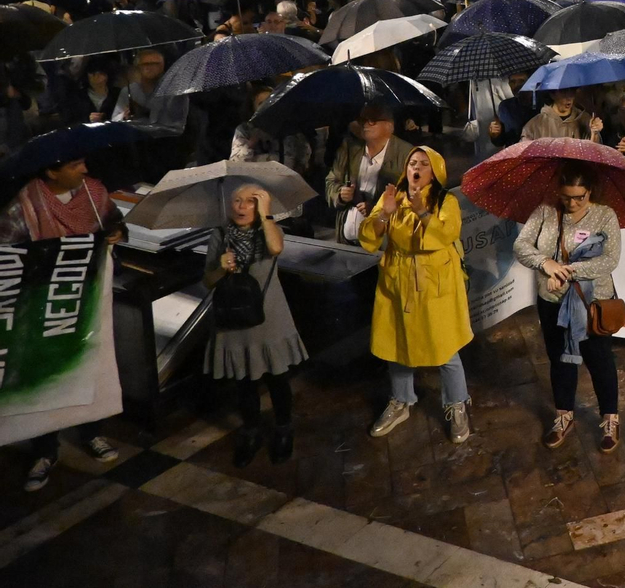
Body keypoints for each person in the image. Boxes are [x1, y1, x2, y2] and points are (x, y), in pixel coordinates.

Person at [0, 155, 128, 491]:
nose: (85, 169)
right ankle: (44, 449)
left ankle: (91, 431)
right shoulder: (25, 203)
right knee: (46, 370)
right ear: (51, 171)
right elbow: (8, 248)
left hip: (87, 298)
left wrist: (114, 233)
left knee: (89, 363)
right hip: (44, 304)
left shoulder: (94, 193)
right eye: (75, 166)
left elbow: (116, 222)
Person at [360, 146, 473, 444]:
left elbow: (446, 234)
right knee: (396, 344)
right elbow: (369, 238)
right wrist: (384, 215)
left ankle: (456, 403)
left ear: (434, 172)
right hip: (398, 282)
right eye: (412, 162)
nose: (417, 168)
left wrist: (422, 210)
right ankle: (401, 401)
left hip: (435, 284)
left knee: (444, 346)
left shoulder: (446, 201)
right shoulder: (392, 198)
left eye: (424, 163)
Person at [513, 164, 623, 453]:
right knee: (560, 359)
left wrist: (566, 271)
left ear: (591, 191)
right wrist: (544, 263)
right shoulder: (546, 211)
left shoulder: (604, 215)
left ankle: (610, 417)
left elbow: (609, 260)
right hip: (552, 303)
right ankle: (564, 415)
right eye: (566, 197)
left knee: (599, 361)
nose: (572, 203)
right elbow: (521, 246)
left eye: (579, 197)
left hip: (592, 303)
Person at [202, 182, 305, 467]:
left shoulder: (267, 230)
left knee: (277, 377)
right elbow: (207, 280)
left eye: (250, 201)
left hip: (269, 316)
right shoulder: (220, 235)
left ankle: (284, 429)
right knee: (244, 380)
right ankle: (251, 431)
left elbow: (275, 247)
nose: (241, 207)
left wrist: (267, 215)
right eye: (237, 201)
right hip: (233, 317)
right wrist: (221, 267)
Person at [325, 103, 410, 243]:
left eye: (372, 121)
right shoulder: (349, 148)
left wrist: (378, 209)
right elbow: (331, 180)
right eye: (363, 120)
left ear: (389, 126)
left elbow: (412, 198)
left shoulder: (406, 154)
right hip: (348, 238)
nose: (366, 124)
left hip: (383, 243)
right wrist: (340, 195)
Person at [111, 48, 189, 134]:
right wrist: (124, 115)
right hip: (133, 140)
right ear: (138, 67)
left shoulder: (174, 90)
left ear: (163, 66)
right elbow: (114, 119)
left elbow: (175, 124)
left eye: (156, 64)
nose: (151, 67)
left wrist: (145, 113)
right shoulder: (129, 90)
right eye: (146, 64)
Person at [521, 88, 592, 142]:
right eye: (564, 92)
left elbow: (593, 152)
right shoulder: (535, 124)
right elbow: (525, 150)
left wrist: (594, 132)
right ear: (552, 94)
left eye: (572, 92)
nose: (569, 98)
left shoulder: (584, 119)